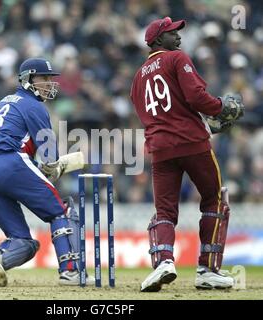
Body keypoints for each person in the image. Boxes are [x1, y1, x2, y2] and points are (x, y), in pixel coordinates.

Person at [130, 17, 244, 292]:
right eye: (172, 33)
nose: (178, 37)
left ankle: (163, 262)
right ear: (158, 40)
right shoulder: (176, 58)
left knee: (164, 210)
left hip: (159, 148)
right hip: (192, 143)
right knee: (215, 200)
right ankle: (208, 269)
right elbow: (195, 97)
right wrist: (220, 108)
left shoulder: (137, 77)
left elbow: (144, 112)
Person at [0, 57, 94, 287]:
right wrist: (54, 167)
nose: (50, 83)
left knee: (24, 242)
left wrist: (41, 168)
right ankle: (71, 272)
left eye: (51, 78)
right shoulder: (33, 105)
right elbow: (49, 155)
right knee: (62, 211)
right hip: (11, 163)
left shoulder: (3, 103)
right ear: (28, 79)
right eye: (44, 78)